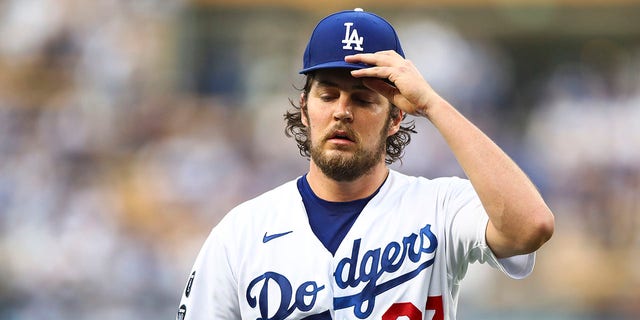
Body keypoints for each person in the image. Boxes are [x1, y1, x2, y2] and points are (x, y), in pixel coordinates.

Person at [176, 8, 554, 320]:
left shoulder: (440, 207)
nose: (342, 111)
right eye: (328, 95)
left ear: (395, 119)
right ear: (305, 110)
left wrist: (432, 105)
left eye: (363, 99)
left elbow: (530, 226)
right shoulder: (242, 232)